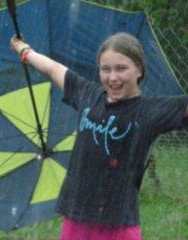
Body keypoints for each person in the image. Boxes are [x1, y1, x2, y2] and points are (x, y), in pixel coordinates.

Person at [10, 32, 188, 240]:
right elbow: (52, 68)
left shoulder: (150, 111)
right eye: (106, 69)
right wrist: (23, 49)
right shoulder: (87, 94)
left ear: (139, 69)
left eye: (121, 68)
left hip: (119, 225)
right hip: (77, 218)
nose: (113, 77)